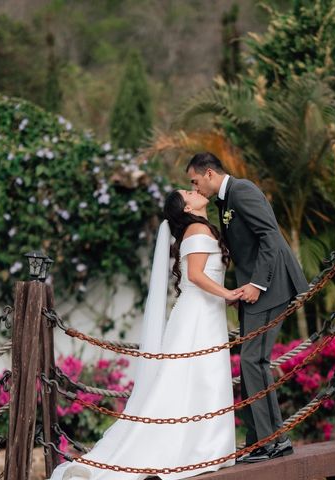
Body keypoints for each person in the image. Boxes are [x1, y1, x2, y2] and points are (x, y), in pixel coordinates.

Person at [48, 189, 241, 480]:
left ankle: (207, 447)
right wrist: (228, 294)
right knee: (201, 376)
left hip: (199, 314)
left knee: (195, 379)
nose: (195, 190)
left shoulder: (194, 229)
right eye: (188, 191)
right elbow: (197, 275)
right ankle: (205, 449)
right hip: (198, 317)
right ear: (186, 206)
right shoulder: (197, 228)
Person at [186, 152, 309, 463]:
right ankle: (259, 441)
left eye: (194, 181)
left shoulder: (243, 190)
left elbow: (270, 236)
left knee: (254, 361)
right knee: (250, 363)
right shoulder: (224, 202)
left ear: (209, 173)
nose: (195, 187)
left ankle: (274, 441)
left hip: (270, 286)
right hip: (252, 289)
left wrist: (257, 284)